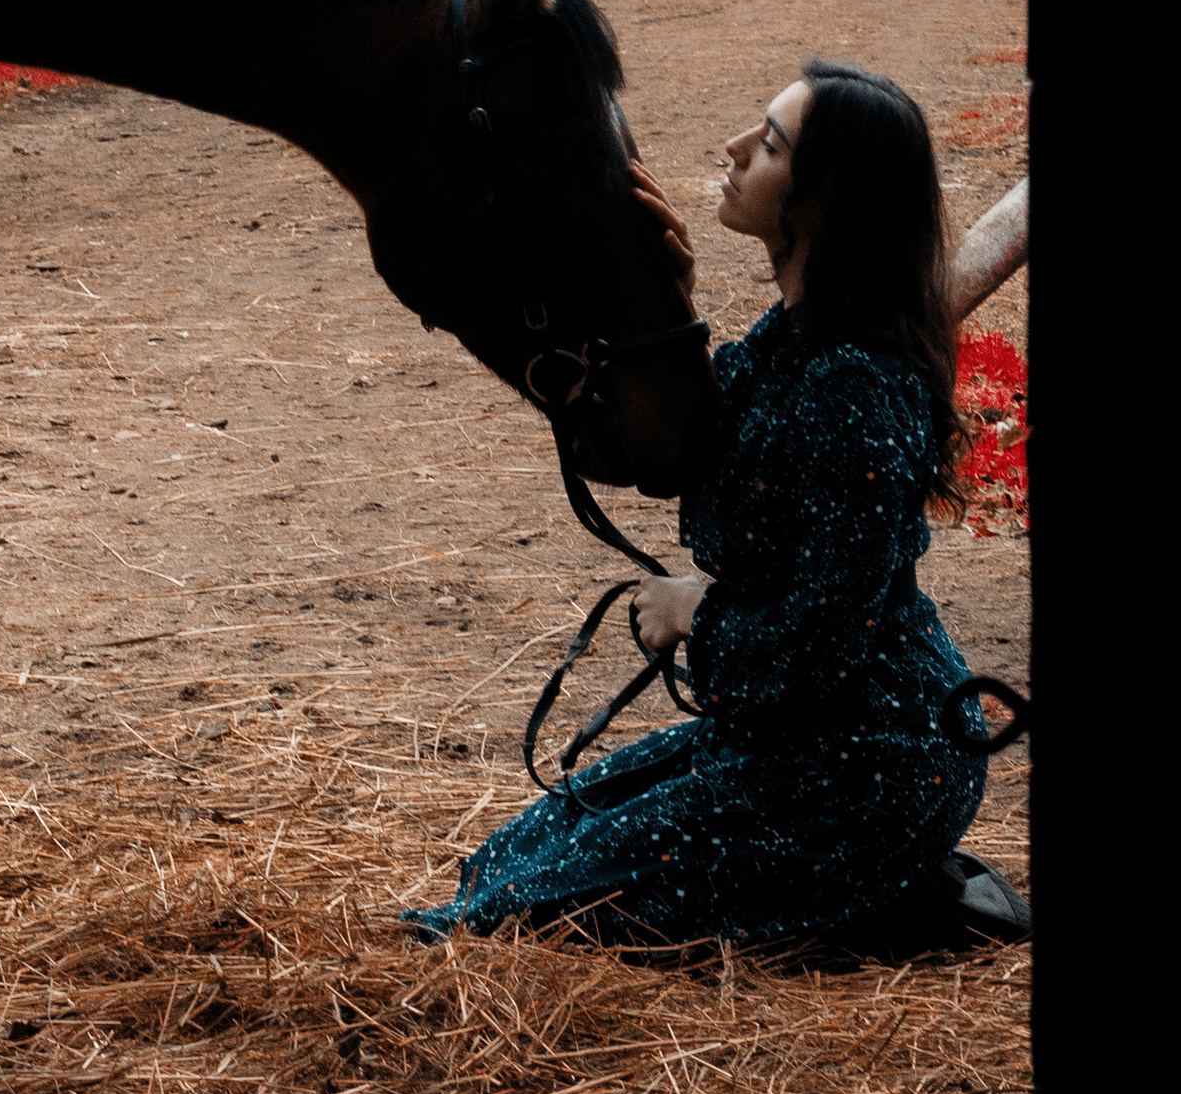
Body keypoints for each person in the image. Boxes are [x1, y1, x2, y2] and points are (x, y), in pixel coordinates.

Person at [404, 62, 1029, 953]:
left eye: (770, 144)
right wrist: (670, 297)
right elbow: (683, 450)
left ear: (823, 198)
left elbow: (823, 645)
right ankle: (867, 899)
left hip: (872, 764)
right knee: (511, 862)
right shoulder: (789, 339)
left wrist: (700, 611)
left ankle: (886, 891)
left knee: (516, 924)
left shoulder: (857, 388)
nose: (736, 151)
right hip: (791, 740)